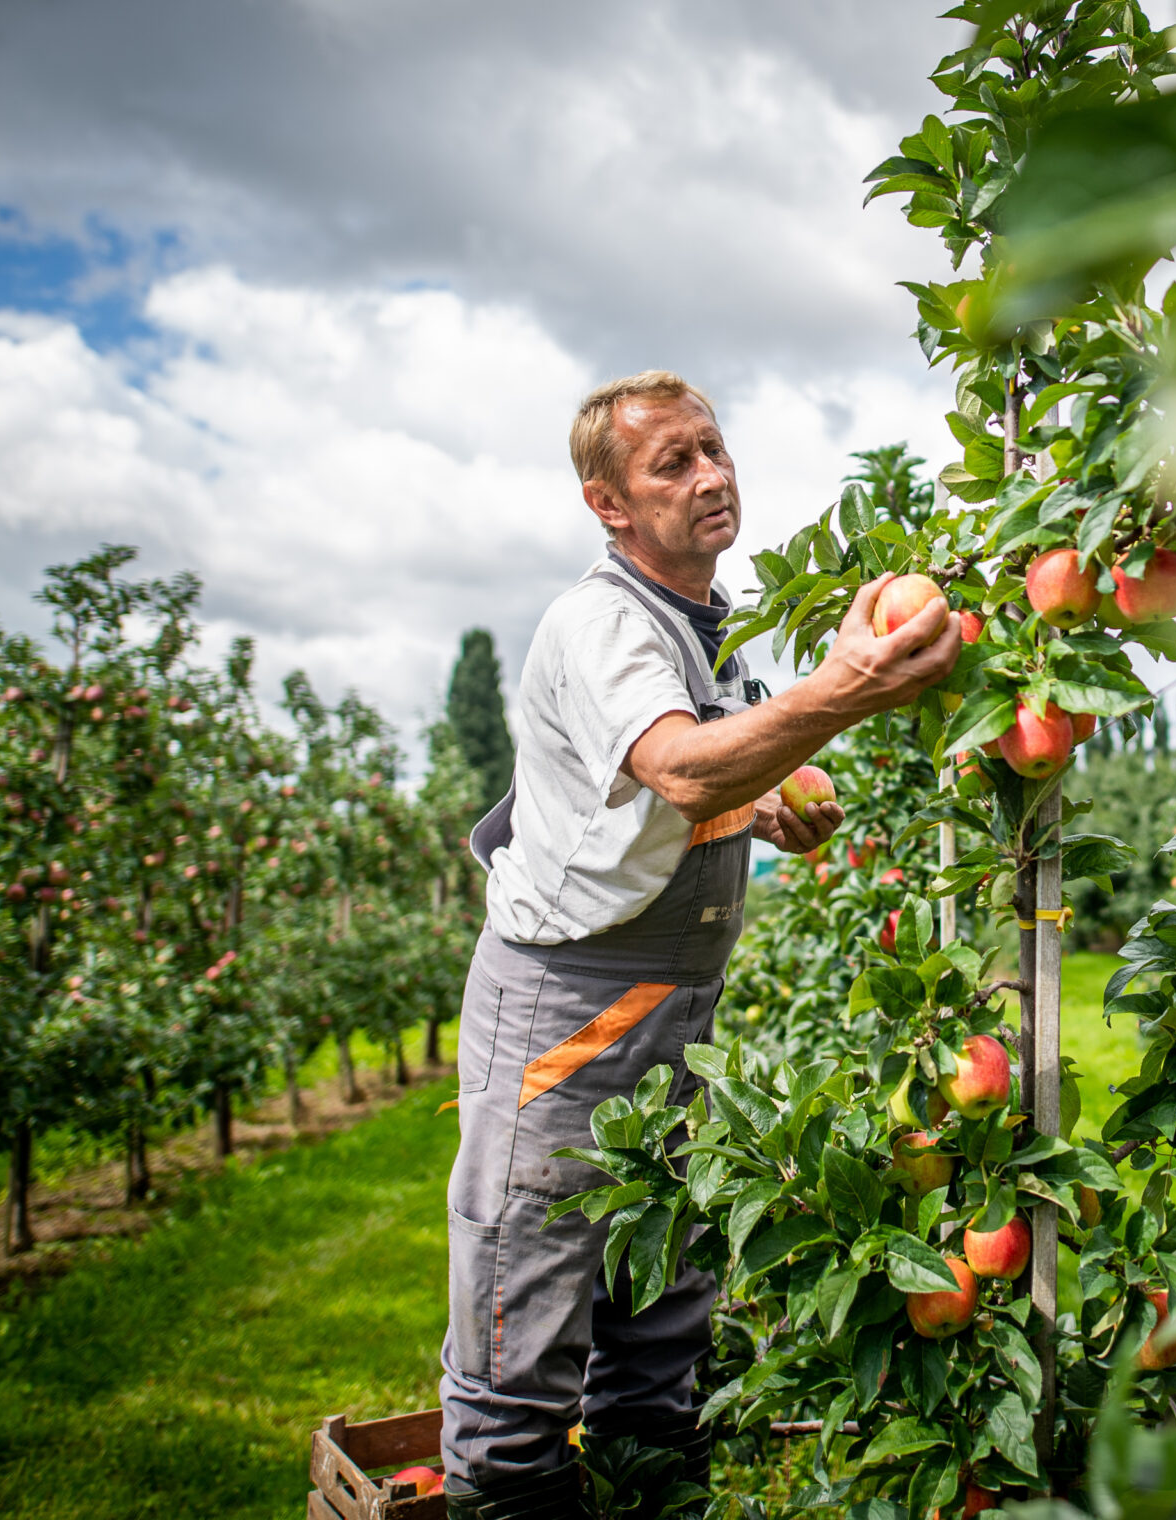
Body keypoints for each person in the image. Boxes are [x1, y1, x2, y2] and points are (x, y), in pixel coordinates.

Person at [440, 371, 958, 1519]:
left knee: (659, 1313)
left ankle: (651, 1495)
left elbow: (681, 783)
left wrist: (769, 799)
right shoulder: (601, 621)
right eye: (672, 462)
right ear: (607, 503)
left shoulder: (699, 626)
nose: (712, 475)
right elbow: (675, 762)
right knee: (524, 1319)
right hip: (568, 1016)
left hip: (674, 1009)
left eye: (714, 449)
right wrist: (841, 690)